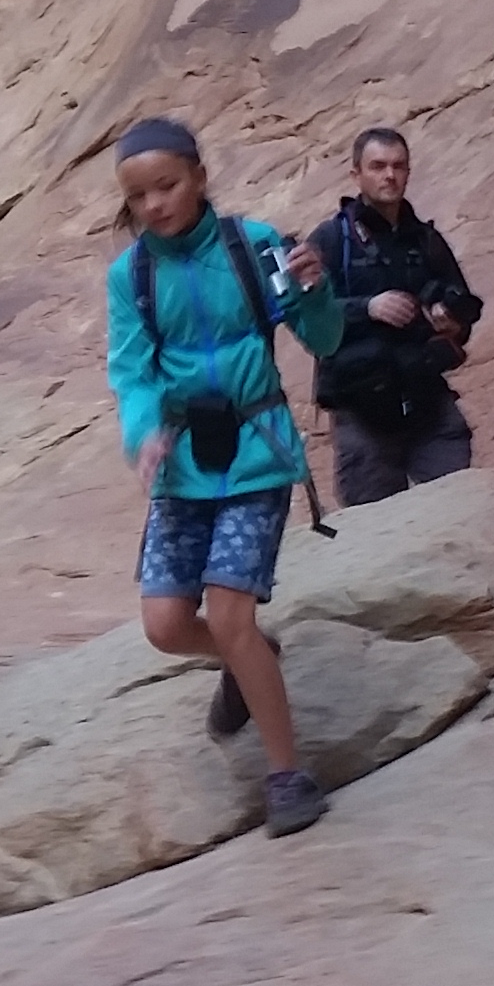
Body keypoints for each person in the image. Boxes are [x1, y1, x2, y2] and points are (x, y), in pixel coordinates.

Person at [102, 117, 347, 840]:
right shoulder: (133, 276)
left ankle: (287, 776)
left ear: (200, 177)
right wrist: (144, 435)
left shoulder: (253, 245)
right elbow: (132, 371)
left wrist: (313, 291)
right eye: (139, 194)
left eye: (166, 186)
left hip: (256, 451)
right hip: (183, 464)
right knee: (166, 625)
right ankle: (255, 657)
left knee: (231, 614)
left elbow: (324, 338)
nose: (154, 205)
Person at [306, 124, 482, 505]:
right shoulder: (332, 241)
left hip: (427, 402)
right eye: (378, 166)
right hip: (361, 411)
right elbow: (305, 315)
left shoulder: (426, 240)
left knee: (459, 508)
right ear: (357, 174)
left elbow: (462, 306)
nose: (389, 175)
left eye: (398, 166)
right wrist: (368, 308)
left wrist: (451, 320)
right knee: (372, 530)